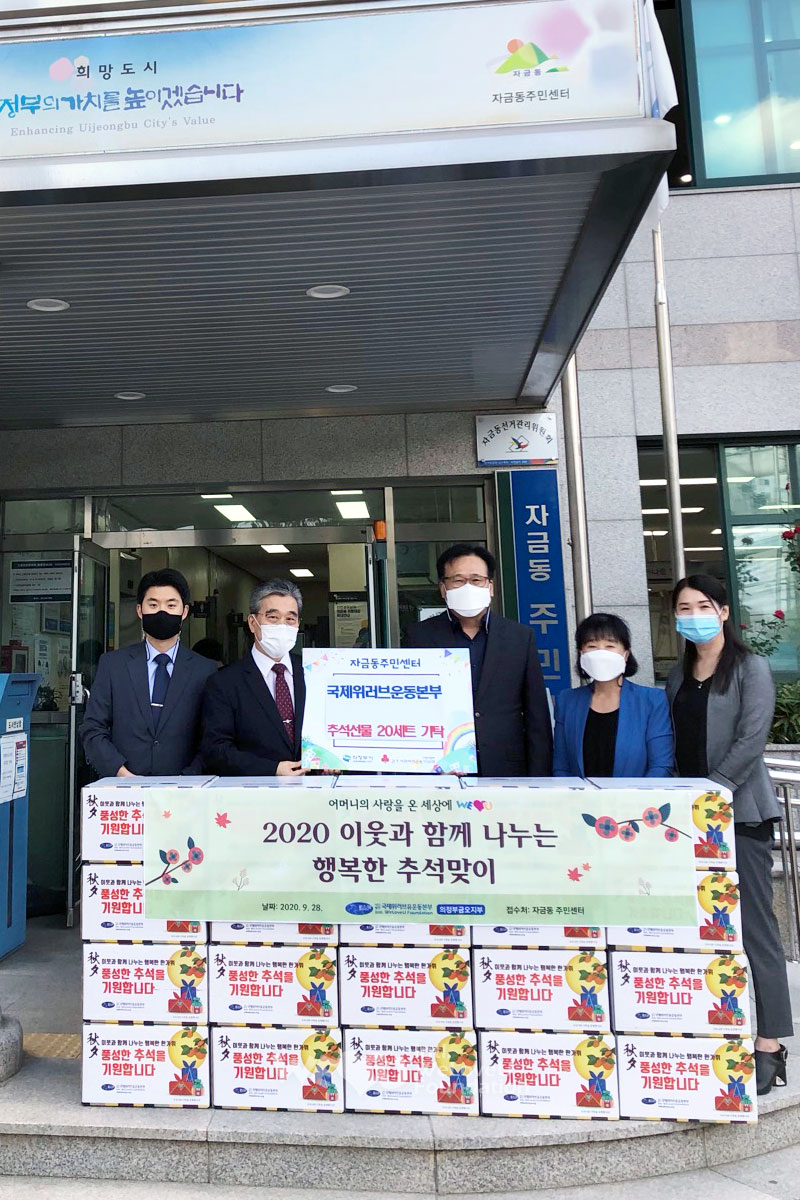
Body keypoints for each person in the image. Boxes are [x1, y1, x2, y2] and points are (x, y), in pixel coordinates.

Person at [667, 573, 791, 1095]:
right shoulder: (678, 674)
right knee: (705, 929)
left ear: (722, 612)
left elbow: (751, 739)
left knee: (755, 927)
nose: (693, 615)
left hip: (738, 815)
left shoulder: (749, 667)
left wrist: (713, 791)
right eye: (683, 607)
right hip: (689, 820)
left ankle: (770, 1043)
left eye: (702, 605)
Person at [403, 543, 552, 776]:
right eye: (458, 580)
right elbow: (412, 707)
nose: (468, 587)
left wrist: (540, 777)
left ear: (490, 587)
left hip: (507, 768)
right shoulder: (419, 636)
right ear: (443, 588)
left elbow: (536, 714)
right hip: (444, 767)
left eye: (476, 580)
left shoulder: (519, 637)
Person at [81, 568, 217, 777]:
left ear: (184, 611)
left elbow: (212, 736)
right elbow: (93, 727)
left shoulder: (205, 670)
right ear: (139, 610)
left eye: (171, 605)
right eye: (153, 605)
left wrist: (187, 780)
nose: (162, 612)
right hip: (124, 787)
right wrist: (121, 773)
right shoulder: (113, 665)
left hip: (185, 788)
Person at [201, 579, 306, 776]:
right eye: (273, 617)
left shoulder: (313, 672)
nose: (282, 625)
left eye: (290, 619)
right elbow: (216, 750)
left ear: (298, 623)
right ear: (252, 623)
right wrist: (273, 769)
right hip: (256, 791)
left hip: (316, 789)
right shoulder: (224, 683)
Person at [553, 613, 672, 778]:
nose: (601, 653)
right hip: (580, 795)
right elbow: (561, 766)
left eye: (610, 646)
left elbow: (661, 766)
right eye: (592, 646)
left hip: (636, 794)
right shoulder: (567, 701)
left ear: (626, 654)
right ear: (581, 654)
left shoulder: (652, 701)